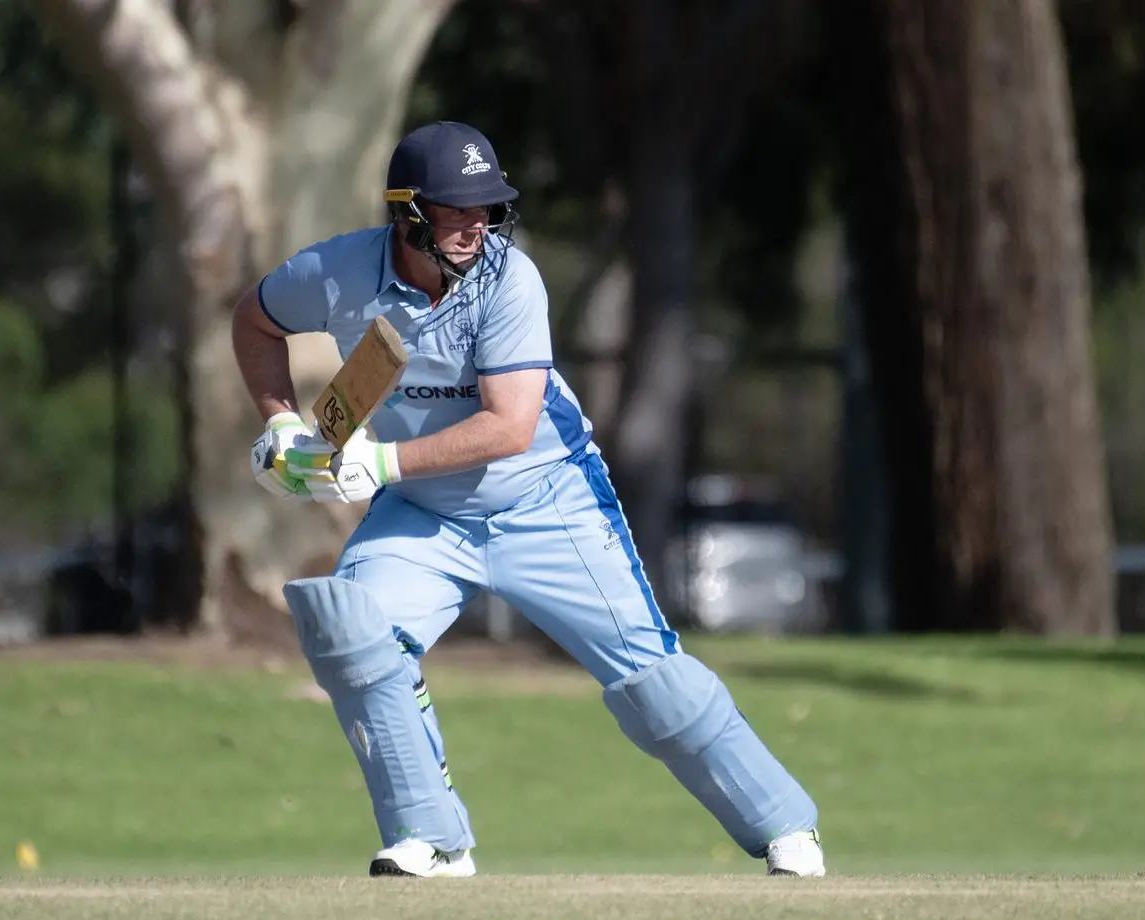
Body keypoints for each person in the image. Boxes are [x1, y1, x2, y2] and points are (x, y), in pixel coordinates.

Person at [230, 121, 824, 878]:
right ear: (408, 213)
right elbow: (254, 317)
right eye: (456, 209)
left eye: (487, 207)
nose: (477, 224)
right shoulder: (337, 270)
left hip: (548, 500)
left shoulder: (511, 281)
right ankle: (433, 839)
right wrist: (280, 420)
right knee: (354, 630)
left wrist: (376, 461)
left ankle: (785, 827)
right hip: (425, 510)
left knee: (653, 682)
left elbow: (508, 427)